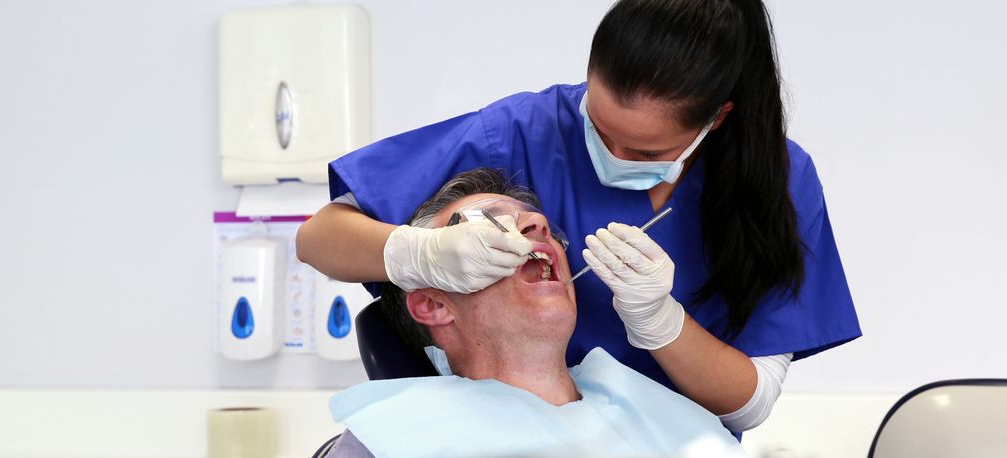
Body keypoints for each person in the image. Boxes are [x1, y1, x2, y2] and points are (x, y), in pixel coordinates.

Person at [297, 0, 860, 435]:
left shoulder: (776, 181)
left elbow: (750, 404)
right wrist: (419, 251)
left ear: (717, 121)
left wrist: (662, 323)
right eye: (597, 124)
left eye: (643, 153)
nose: (536, 226)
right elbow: (319, 238)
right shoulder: (522, 133)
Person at [309, 169, 741, 458]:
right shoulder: (389, 447)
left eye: (543, 226)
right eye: (488, 225)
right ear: (434, 304)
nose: (536, 227)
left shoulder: (668, 419)